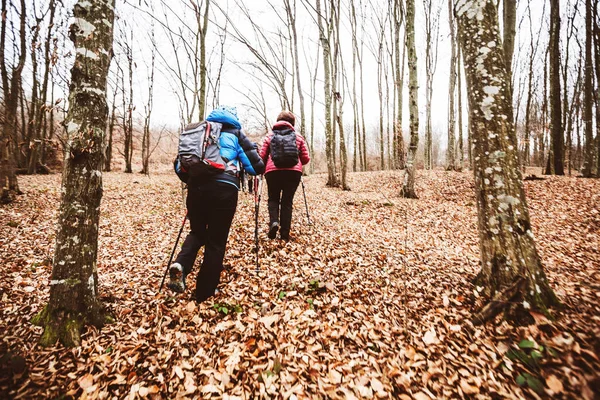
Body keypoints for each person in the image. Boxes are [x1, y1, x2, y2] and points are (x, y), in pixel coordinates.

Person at [169, 105, 265, 302]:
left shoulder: (199, 131)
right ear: (234, 117)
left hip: (196, 189)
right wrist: (252, 150)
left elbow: (180, 168)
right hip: (225, 190)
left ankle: (181, 265)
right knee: (216, 241)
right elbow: (257, 168)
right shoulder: (236, 134)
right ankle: (204, 292)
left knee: (197, 232)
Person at [259, 111, 310, 241]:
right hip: (293, 173)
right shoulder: (298, 137)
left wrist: (261, 168)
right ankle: (284, 234)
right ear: (292, 123)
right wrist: (298, 163)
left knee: (273, 199)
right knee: (287, 202)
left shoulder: (269, 136)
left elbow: (262, 156)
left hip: (272, 172)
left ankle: (274, 222)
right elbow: (305, 158)